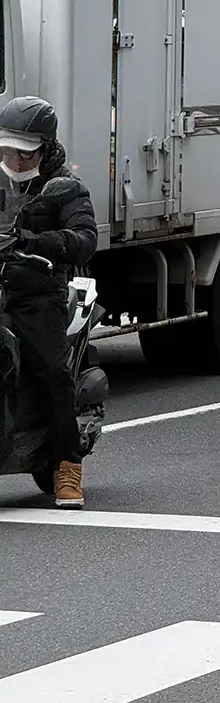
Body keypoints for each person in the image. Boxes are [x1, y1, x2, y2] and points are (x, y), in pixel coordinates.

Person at [0, 97, 97, 508]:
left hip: (37, 291)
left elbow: (85, 239)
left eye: (24, 153)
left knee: (52, 371)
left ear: (44, 147)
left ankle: (67, 468)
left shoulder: (64, 188)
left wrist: (37, 243)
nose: (15, 160)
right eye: (7, 151)